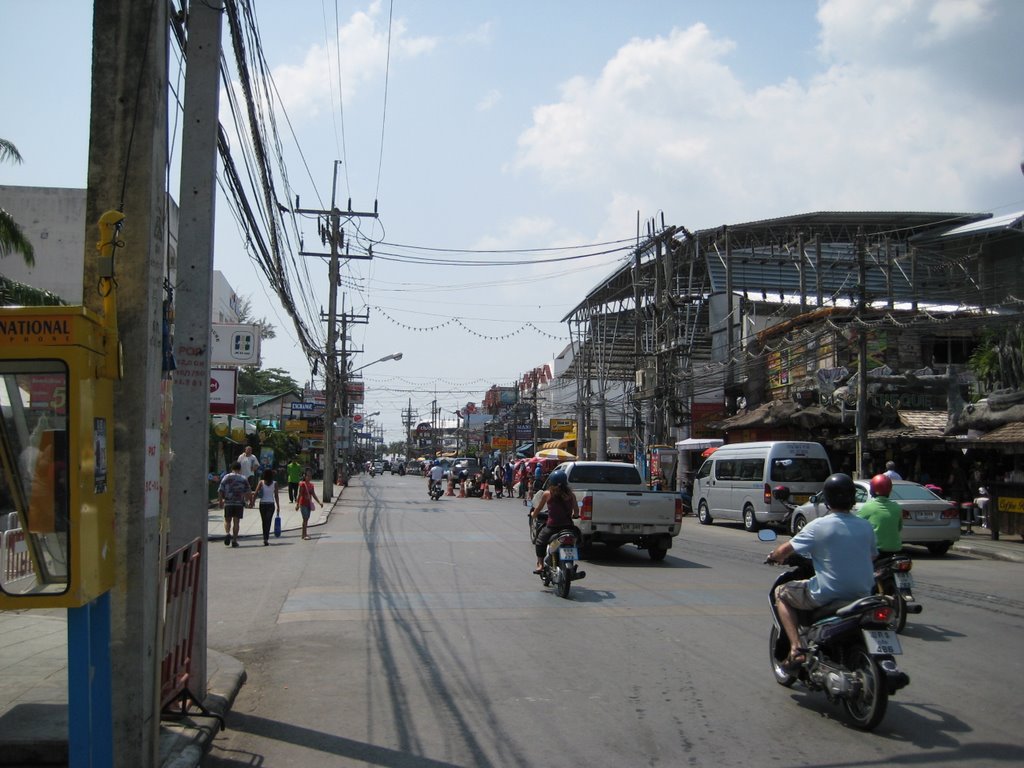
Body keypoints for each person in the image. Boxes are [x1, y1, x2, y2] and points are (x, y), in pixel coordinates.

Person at [766, 473, 876, 670]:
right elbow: (871, 557)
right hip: (863, 594)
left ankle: (796, 649)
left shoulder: (818, 525)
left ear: (826, 499)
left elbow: (784, 551)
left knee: (781, 593)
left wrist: (773, 557)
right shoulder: (865, 526)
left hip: (827, 594)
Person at [529, 469, 580, 574]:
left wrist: (533, 515)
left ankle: (540, 564)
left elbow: (538, 509)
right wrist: (575, 515)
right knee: (576, 540)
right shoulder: (571, 494)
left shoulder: (547, 494)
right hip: (568, 527)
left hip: (552, 527)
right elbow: (576, 511)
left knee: (539, 542)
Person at [857, 474, 903, 555]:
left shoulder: (868, 507)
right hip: (896, 549)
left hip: (876, 551)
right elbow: (899, 528)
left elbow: (857, 527)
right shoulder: (897, 507)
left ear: (873, 489)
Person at [218, 461, 252, 548]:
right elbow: (248, 491)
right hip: (239, 503)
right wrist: (249, 501)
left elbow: (220, 489)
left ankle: (227, 533)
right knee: (236, 522)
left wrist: (221, 501)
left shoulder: (226, 477)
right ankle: (234, 540)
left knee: (227, 520)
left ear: (232, 468)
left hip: (228, 502)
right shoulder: (243, 478)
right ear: (240, 469)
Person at [254, 468, 281, 546]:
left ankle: (265, 538)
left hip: (262, 504)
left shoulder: (261, 482)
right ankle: (266, 538)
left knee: (264, 521)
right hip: (271, 504)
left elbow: (255, 493)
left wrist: (252, 502)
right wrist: (278, 505)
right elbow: (276, 495)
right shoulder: (275, 483)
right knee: (268, 521)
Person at [295, 467, 320, 540]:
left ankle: (304, 534)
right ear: (304, 476)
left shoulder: (311, 485)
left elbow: (313, 494)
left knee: (307, 519)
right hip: (303, 504)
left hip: (308, 504)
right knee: (305, 519)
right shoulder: (302, 484)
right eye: (308, 476)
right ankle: (304, 534)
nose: (309, 477)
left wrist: (319, 502)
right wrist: (297, 505)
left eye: (310, 476)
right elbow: (299, 495)